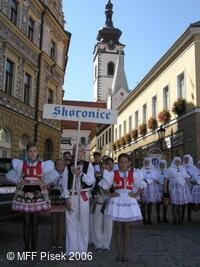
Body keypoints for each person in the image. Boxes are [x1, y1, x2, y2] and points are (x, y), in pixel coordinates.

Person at [6, 143, 58, 251]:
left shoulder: (43, 165)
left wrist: (42, 181)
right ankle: (26, 248)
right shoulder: (21, 164)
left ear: (38, 152)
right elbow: (14, 176)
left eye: (34, 151)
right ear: (27, 152)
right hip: (25, 193)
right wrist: (20, 181)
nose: (32, 153)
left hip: (37, 193)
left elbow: (49, 178)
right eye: (30, 151)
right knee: (26, 221)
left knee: (35, 221)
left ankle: (33, 249)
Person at [99, 153, 146, 262]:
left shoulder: (134, 173)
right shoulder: (113, 173)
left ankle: (125, 253)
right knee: (118, 228)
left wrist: (135, 194)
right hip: (117, 201)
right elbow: (104, 185)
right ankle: (119, 253)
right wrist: (110, 194)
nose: (123, 164)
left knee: (127, 229)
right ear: (118, 163)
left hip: (129, 201)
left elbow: (142, 185)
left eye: (125, 162)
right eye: (121, 162)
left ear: (129, 163)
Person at [65, 144, 95, 256]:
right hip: (71, 196)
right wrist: (66, 198)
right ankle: (71, 250)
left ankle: (82, 251)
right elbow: (64, 185)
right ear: (73, 153)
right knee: (71, 223)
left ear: (83, 153)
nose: (78, 153)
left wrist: (81, 174)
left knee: (83, 224)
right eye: (75, 151)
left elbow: (90, 181)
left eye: (80, 151)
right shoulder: (68, 167)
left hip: (83, 196)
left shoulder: (88, 165)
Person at [92, 160, 113, 251]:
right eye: (102, 168)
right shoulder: (96, 178)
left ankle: (106, 245)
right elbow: (92, 189)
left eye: (106, 168)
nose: (104, 169)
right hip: (99, 202)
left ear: (109, 168)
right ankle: (98, 244)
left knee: (108, 225)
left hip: (109, 203)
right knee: (97, 224)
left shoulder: (113, 177)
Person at [49, 159, 69, 249]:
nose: (60, 166)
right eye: (58, 164)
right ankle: (53, 240)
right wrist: (50, 186)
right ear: (55, 165)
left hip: (62, 198)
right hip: (53, 198)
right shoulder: (51, 174)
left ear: (64, 166)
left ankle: (60, 240)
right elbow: (47, 185)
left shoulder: (67, 174)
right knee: (54, 220)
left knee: (61, 220)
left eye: (62, 164)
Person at [167, 157, 192, 225]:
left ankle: (180, 219)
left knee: (180, 204)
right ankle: (175, 219)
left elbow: (187, 177)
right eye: (176, 161)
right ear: (174, 161)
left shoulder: (182, 168)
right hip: (173, 188)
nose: (178, 162)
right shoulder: (170, 169)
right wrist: (165, 190)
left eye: (179, 161)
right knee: (175, 204)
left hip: (182, 188)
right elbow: (166, 179)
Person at [141, 158, 161, 225]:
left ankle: (149, 219)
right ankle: (144, 219)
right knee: (143, 204)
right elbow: (140, 178)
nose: (146, 163)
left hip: (151, 188)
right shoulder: (142, 169)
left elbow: (156, 179)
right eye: (145, 162)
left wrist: (150, 180)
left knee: (150, 204)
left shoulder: (153, 170)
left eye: (147, 162)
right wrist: (145, 180)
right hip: (144, 188)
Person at [89, 151, 102, 246]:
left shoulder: (102, 164)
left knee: (99, 214)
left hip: (101, 188)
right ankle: (91, 236)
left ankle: (98, 236)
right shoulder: (91, 165)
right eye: (96, 157)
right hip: (94, 188)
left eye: (98, 157)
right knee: (92, 211)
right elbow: (92, 175)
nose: (97, 158)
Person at [183, 154, 198, 221]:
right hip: (183, 186)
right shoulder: (181, 167)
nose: (186, 160)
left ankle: (189, 217)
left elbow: (195, 176)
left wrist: (191, 177)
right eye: (185, 159)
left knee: (189, 202)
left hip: (191, 186)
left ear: (190, 159)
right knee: (182, 202)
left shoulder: (194, 168)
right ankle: (182, 216)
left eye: (187, 159)